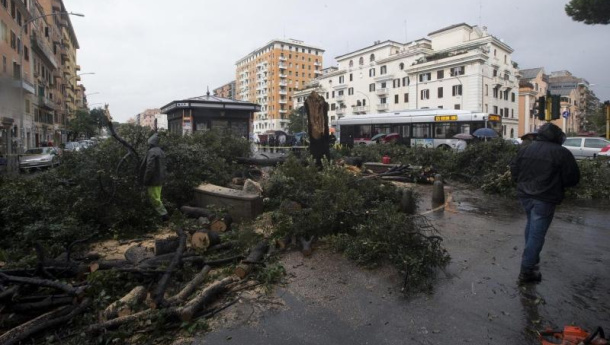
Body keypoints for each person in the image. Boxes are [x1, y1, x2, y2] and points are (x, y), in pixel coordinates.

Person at [509, 123, 580, 284]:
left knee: (532, 226)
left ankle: (531, 261)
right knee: (537, 233)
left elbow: (514, 169)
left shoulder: (526, 148)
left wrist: (521, 183)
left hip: (524, 194)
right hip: (545, 197)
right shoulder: (562, 153)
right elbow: (572, 178)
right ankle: (526, 271)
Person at [140, 133, 169, 221]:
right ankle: (160, 215)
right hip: (160, 179)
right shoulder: (160, 151)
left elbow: (150, 168)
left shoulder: (152, 152)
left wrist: (145, 180)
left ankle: (164, 216)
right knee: (157, 197)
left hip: (153, 180)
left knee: (155, 199)